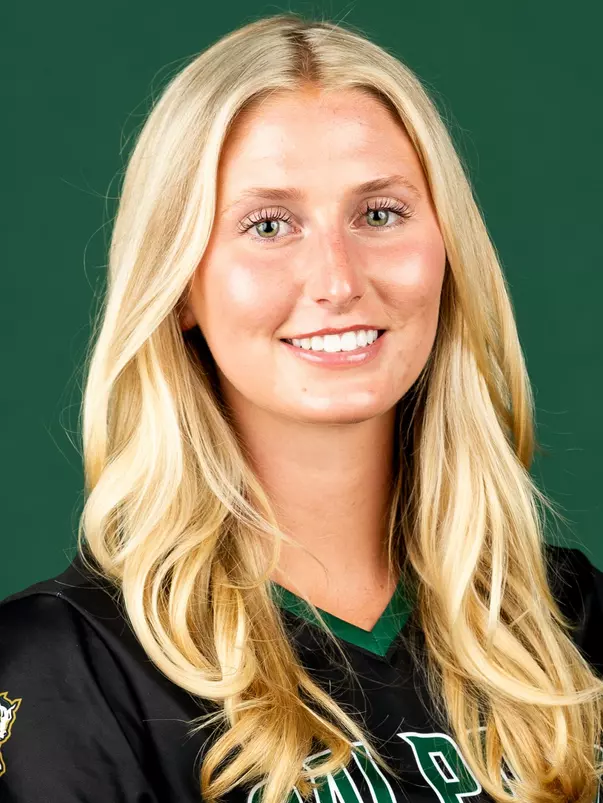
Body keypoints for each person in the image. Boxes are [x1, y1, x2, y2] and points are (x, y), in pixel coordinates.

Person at [0, 12, 602, 803]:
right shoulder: (66, 668)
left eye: (378, 213)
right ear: (179, 288)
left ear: (447, 252)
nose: (338, 280)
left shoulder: (570, 622)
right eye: (268, 224)